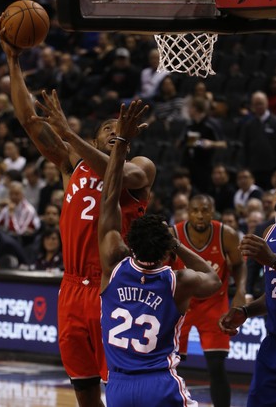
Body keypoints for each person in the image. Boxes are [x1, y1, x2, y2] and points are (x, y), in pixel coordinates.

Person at [0, 20, 156, 407]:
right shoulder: (74, 166)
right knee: (83, 390)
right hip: (70, 287)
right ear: (96, 136)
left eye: (118, 127)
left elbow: (123, 170)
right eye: (105, 127)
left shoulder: (141, 167)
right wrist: (13, 61)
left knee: (120, 389)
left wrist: (70, 134)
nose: (112, 130)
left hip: (111, 286)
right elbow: (30, 121)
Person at [98, 104, 221, 407]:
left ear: (131, 242)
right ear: (167, 248)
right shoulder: (178, 280)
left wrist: (120, 145)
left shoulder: (112, 264)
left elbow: (110, 196)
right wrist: (177, 244)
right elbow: (214, 279)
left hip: (117, 386)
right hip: (159, 384)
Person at [170, 194, 247, 407]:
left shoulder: (227, 234)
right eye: (195, 210)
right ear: (188, 213)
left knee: (216, 365)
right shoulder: (173, 234)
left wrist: (240, 291)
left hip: (215, 303)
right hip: (182, 304)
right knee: (174, 365)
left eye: (205, 210)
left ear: (212, 212)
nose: (200, 215)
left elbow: (240, 265)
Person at [219, 185, 276, 407]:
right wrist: (247, 311)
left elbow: (274, 262)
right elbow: (274, 294)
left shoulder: (269, 249)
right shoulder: (271, 233)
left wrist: (274, 260)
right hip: (274, 344)